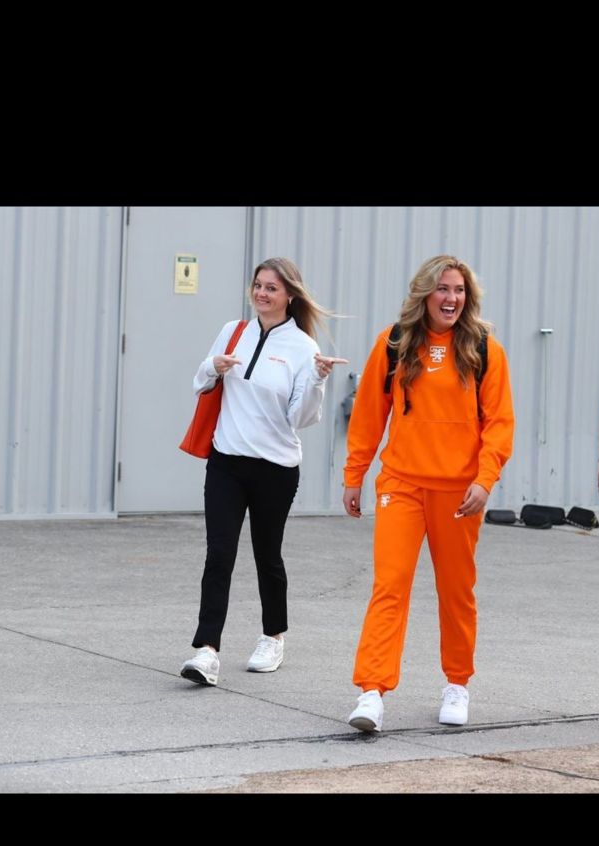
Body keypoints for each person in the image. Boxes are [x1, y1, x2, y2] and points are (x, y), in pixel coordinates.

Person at [342, 255, 514, 732]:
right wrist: (354, 474)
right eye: (442, 289)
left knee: (456, 593)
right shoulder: (395, 343)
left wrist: (484, 481)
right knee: (389, 587)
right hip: (401, 484)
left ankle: (457, 683)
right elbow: (368, 417)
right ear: (424, 293)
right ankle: (372, 691)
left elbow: (499, 423)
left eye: (459, 290)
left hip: (459, 493)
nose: (451, 298)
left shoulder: (483, 349)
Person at [180, 257, 345, 686]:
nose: (262, 293)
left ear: (289, 295)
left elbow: (300, 419)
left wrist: (318, 380)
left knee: (267, 556)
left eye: (271, 287)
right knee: (219, 554)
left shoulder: (303, 348)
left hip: (275, 468)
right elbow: (200, 382)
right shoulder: (233, 331)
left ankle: (273, 636)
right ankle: (206, 651)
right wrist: (212, 367)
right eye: (258, 285)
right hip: (226, 463)